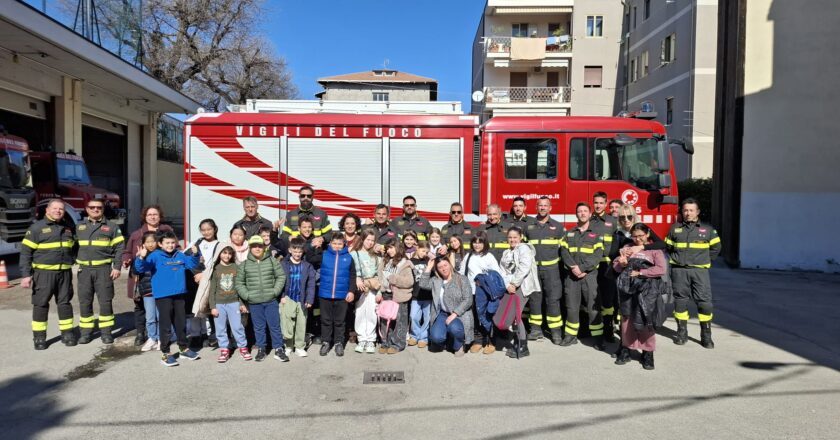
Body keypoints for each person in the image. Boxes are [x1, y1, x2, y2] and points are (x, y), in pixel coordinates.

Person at [134, 230, 202, 367]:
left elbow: (192, 264)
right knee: (165, 325)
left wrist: (195, 254)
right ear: (160, 244)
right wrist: (141, 258)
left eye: (172, 243)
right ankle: (166, 353)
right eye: (167, 243)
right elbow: (141, 269)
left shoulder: (180, 255)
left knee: (180, 322)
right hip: (163, 296)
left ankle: (183, 348)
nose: (170, 245)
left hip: (179, 294)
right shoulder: (155, 256)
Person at [20, 199, 77, 350]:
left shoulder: (68, 228)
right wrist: (26, 275)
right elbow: (25, 253)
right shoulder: (36, 228)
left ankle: (67, 334)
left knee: (64, 303)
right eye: (55, 208)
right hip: (44, 274)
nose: (58, 211)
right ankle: (39, 338)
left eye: (61, 209)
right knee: (41, 304)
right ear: (47, 210)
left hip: (64, 273)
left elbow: (74, 248)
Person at [607, 204, 667, 345]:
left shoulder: (642, 229)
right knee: (626, 313)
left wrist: (642, 246)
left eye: (629, 216)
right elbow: (612, 255)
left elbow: (662, 244)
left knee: (645, 313)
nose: (626, 219)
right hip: (625, 277)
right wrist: (623, 253)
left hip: (645, 280)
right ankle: (625, 346)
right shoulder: (618, 233)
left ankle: (647, 351)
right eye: (622, 217)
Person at [666, 198, 721, 348]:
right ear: (682, 212)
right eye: (685, 210)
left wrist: (703, 260)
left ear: (697, 212)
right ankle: (682, 333)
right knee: (680, 301)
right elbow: (668, 248)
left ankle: (706, 335)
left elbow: (716, 249)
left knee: (705, 303)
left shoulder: (708, 230)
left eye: (691, 210)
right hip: (679, 271)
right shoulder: (674, 229)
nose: (688, 213)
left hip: (699, 271)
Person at [613, 223, 668, 370]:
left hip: (648, 292)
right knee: (627, 321)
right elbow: (616, 266)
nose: (637, 239)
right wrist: (622, 263)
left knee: (645, 321)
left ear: (647, 234)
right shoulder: (628, 248)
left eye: (641, 236)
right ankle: (626, 349)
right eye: (634, 236)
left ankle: (648, 353)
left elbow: (661, 269)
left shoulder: (655, 249)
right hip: (628, 291)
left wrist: (642, 273)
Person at [122, 205, 174, 347]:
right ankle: (141, 333)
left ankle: (164, 334)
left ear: (160, 216)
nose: (152, 217)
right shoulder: (137, 234)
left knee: (162, 309)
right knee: (140, 307)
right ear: (145, 217)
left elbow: (175, 247)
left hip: (160, 278)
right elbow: (127, 251)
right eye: (149, 214)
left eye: (155, 214)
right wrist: (126, 260)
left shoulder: (166, 231)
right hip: (140, 277)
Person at [75, 198, 125, 345]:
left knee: (105, 302)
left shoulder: (112, 227)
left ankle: (106, 332)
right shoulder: (79, 227)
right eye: (92, 207)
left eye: (99, 208)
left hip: (103, 270)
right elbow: (71, 246)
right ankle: (85, 333)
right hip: (84, 270)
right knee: (85, 302)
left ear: (103, 210)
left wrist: (116, 267)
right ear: (87, 209)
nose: (96, 210)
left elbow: (120, 248)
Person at [560, 203, 606, 350]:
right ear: (576, 214)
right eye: (579, 211)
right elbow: (564, 251)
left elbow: (598, 254)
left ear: (590, 213)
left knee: (593, 307)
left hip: (589, 276)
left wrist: (583, 268)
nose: (582, 213)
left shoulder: (596, 234)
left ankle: (598, 338)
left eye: (585, 211)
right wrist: (573, 267)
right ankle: (570, 336)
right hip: (572, 276)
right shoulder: (569, 233)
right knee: (571, 307)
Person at [235, 235, 288, 362]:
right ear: (250, 248)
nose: (257, 249)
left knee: (274, 325)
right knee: (259, 327)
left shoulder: (271, 261)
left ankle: (279, 349)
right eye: (254, 246)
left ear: (264, 247)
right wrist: (247, 296)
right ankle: (261, 349)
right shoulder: (245, 265)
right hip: (254, 302)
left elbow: (281, 276)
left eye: (260, 246)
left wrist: (275, 292)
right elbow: (239, 283)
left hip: (271, 300)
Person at [525, 196, 566, 344]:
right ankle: (536, 329)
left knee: (553, 299)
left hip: (552, 269)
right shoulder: (528, 226)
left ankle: (555, 331)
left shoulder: (558, 227)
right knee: (535, 298)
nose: (542, 208)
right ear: (536, 207)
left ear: (550, 208)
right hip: (533, 269)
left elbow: (564, 250)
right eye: (540, 205)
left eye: (545, 205)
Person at [498, 227, 541, 358]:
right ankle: (518, 342)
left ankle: (523, 345)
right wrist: (507, 284)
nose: (512, 240)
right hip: (510, 287)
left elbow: (524, 267)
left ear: (520, 237)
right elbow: (502, 272)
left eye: (515, 237)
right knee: (513, 317)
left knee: (516, 316)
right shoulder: (506, 252)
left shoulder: (524, 249)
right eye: (510, 237)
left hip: (522, 288)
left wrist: (514, 283)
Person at [419, 257, 474, 357]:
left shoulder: (461, 279)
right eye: (440, 267)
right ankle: (448, 341)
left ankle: (459, 345)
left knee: (455, 329)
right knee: (436, 337)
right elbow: (422, 284)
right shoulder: (436, 280)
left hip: (459, 315)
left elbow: (468, 299)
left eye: (445, 265)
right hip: (442, 314)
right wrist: (429, 267)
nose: (443, 269)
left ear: (450, 265)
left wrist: (454, 314)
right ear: (437, 269)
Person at [460, 232, 502, 354]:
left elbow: (496, 275)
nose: (477, 245)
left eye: (480, 242)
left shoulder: (489, 257)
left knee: (487, 316)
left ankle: (491, 341)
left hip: (486, 293)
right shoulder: (468, 256)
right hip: (471, 292)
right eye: (475, 242)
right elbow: (463, 273)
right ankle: (478, 340)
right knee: (475, 317)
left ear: (485, 243)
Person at [209, 246, 252, 363]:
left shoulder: (236, 267)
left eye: (229, 253)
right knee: (220, 328)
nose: (226, 256)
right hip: (219, 304)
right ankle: (224, 349)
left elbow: (239, 287)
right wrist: (212, 306)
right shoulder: (216, 269)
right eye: (224, 253)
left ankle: (243, 347)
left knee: (237, 326)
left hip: (234, 302)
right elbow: (212, 289)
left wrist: (242, 303)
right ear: (219, 254)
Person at [318, 233, 357, 357]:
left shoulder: (349, 258)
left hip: (342, 295)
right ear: (330, 244)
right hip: (325, 293)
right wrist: (316, 246)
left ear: (344, 244)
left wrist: (351, 291)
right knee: (326, 320)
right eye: (334, 243)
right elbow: (310, 258)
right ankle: (326, 342)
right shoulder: (324, 255)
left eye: (339, 244)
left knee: (340, 321)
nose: (337, 246)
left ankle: (339, 342)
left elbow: (352, 276)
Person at [376, 240, 415, 354]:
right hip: (386, 294)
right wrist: (380, 290)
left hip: (399, 296)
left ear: (398, 248)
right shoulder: (385, 261)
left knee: (399, 321)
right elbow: (379, 276)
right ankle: (385, 342)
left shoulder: (405, 263)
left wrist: (393, 278)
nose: (389, 250)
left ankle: (398, 344)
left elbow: (409, 281)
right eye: (388, 248)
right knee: (385, 319)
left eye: (392, 247)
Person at [280, 237, 316, 357]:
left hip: (302, 298)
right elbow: (279, 281)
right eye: (295, 251)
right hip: (288, 298)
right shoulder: (283, 264)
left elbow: (311, 283)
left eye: (300, 252)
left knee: (301, 323)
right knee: (288, 323)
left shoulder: (307, 266)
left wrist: (309, 299)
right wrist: (282, 296)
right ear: (290, 250)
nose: (297, 254)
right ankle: (288, 346)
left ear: (303, 251)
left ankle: (300, 346)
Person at [590, 192, 618, 343]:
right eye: (596, 202)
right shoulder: (588, 220)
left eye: (601, 203)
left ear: (606, 204)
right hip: (591, 267)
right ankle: (593, 330)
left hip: (607, 266)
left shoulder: (613, 221)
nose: (598, 205)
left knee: (607, 301)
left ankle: (609, 330)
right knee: (591, 299)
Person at [350, 230, 380, 354]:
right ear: (362, 239)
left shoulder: (376, 256)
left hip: (373, 287)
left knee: (372, 313)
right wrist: (357, 278)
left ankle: (371, 339)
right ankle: (362, 338)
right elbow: (352, 271)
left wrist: (379, 292)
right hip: (360, 288)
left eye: (372, 240)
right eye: (368, 239)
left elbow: (379, 274)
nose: (370, 243)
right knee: (360, 312)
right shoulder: (354, 253)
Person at [132, 232, 159, 352]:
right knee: (150, 317)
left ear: (157, 243)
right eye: (148, 242)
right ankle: (152, 338)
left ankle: (161, 338)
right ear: (143, 243)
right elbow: (135, 271)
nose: (150, 244)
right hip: (147, 291)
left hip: (160, 291)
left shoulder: (161, 254)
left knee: (161, 317)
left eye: (153, 241)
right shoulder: (141, 255)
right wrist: (140, 257)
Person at [407, 241, 433, 349]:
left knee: (427, 317)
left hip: (428, 295)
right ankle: (414, 335)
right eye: (423, 251)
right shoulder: (411, 261)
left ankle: (424, 337)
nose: (424, 253)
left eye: (427, 252)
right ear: (417, 248)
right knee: (414, 316)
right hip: (415, 294)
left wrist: (431, 259)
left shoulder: (429, 262)